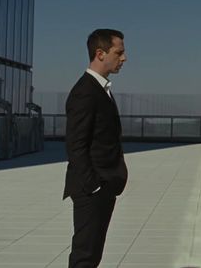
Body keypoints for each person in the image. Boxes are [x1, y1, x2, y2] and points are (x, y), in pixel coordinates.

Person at [63, 29, 128, 268]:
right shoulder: (85, 91)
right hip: (92, 189)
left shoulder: (99, 89)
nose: (124, 58)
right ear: (100, 53)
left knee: (92, 255)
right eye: (119, 52)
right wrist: (94, 185)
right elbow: (75, 145)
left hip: (102, 186)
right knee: (85, 256)